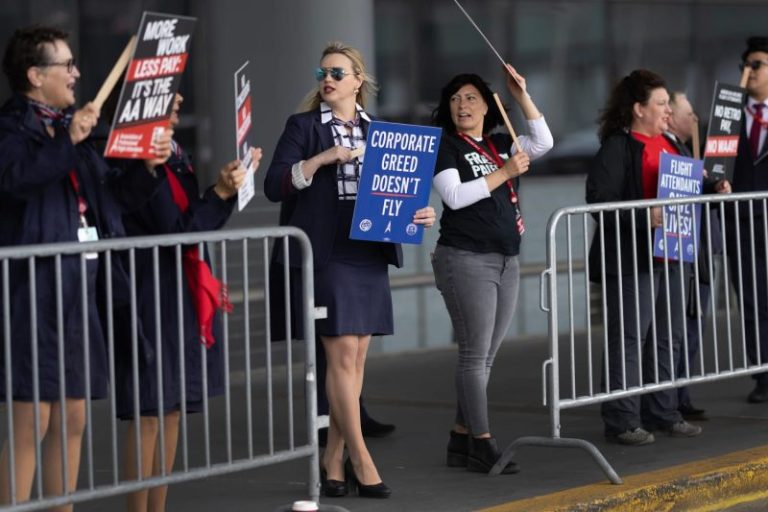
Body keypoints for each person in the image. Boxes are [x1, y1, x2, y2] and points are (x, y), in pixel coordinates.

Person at [0, 26, 169, 509]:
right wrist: (67, 142)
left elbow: (113, 198)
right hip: (31, 289)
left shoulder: (75, 127)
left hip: (80, 285)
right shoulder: (12, 129)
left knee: (73, 415)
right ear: (35, 75)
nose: (76, 73)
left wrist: (146, 167)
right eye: (66, 65)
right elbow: (16, 181)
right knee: (31, 418)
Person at [264, 42, 435, 499]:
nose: (328, 79)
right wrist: (321, 160)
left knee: (356, 360)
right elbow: (274, 185)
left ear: (358, 80)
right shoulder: (302, 127)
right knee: (340, 357)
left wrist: (419, 213)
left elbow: (401, 193)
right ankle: (363, 459)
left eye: (338, 72)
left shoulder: (381, 131)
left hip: (369, 248)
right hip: (326, 250)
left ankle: (332, 460)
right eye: (323, 71)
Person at [111, 93, 261, 512]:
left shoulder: (176, 153)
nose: (178, 99)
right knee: (151, 412)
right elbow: (177, 227)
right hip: (149, 291)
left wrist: (225, 190)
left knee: (172, 409)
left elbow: (193, 220)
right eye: (168, 92)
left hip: (179, 289)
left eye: (179, 92)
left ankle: (157, 507)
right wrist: (219, 192)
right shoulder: (130, 156)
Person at [431, 68, 553, 473]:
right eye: (455, 99)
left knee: (484, 358)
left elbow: (543, 141)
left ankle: (460, 436)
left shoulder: (501, 142)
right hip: (465, 257)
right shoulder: (446, 145)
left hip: (506, 258)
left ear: (486, 105)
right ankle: (482, 443)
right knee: (474, 355)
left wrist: (521, 95)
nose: (462, 106)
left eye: (470, 98)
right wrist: (505, 173)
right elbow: (453, 196)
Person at [586, 69, 714, 446]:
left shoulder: (670, 145)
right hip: (632, 258)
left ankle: (663, 411)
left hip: (670, 254)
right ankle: (622, 419)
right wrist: (645, 216)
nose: (667, 113)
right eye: (660, 105)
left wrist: (711, 183)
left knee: (667, 336)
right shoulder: (616, 147)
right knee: (628, 337)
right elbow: (599, 202)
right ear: (639, 109)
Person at [663, 91, 727, 421]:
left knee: (693, 325)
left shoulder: (686, 149)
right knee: (681, 326)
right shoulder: (670, 148)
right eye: (689, 114)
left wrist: (713, 187)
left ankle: (681, 393)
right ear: (672, 116)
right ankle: (671, 396)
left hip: (700, 247)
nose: (695, 120)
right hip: (686, 250)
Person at [729, 36, 768, 404]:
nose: (750, 71)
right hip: (741, 219)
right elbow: (715, 158)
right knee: (752, 298)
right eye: (746, 65)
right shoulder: (730, 113)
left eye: (757, 64)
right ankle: (763, 375)